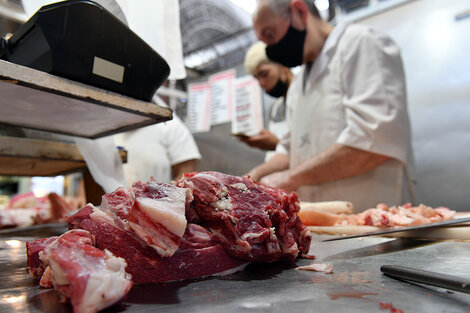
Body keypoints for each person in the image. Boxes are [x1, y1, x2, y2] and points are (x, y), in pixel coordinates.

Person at [249, 0, 414, 211]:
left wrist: (290, 177)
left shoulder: (361, 43)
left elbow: (376, 140)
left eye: (270, 34)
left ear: (299, 12)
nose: (272, 49)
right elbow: (290, 150)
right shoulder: (299, 85)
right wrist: (255, 176)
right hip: (321, 231)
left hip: (370, 221)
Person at [239, 41, 293, 161]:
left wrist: (277, 144)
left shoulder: (305, 95)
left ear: (282, 65)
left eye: (264, 74)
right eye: (256, 78)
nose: (261, 83)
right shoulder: (276, 108)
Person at [114, 112, 201, 185]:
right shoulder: (104, 124)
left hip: (160, 201)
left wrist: (165, 200)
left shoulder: (169, 123)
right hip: (114, 202)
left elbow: (186, 173)